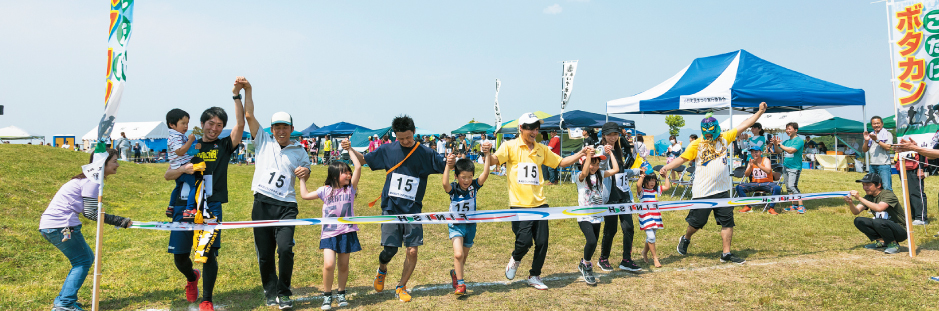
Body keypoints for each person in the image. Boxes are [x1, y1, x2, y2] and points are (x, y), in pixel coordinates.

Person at [162, 77, 246, 311]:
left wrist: (237, 96)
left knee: (207, 253)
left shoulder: (224, 146)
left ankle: (207, 299)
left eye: (219, 125)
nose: (214, 128)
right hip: (183, 206)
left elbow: (239, 125)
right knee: (180, 257)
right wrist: (184, 169)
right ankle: (191, 277)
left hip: (211, 206)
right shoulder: (190, 145)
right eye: (210, 123)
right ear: (202, 123)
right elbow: (168, 175)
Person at [480, 112, 586, 290]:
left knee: (542, 242)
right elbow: (493, 161)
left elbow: (561, 162)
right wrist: (486, 152)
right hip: (519, 204)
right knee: (524, 241)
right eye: (529, 128)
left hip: (540, 204)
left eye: (536, 128)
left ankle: (534, 275)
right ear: (521, 128)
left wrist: (580, 153)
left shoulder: (541, 149)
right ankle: (515, 259)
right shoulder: (510, 146)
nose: (533, 132)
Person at [347, 115, 446, 303]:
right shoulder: (387, 149)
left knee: (412, 251)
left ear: (414, 132)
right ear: (395, 136)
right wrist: (350, 149)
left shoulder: (426, 153)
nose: (405, 141)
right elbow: (365, 160)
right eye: (401, 139)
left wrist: (453, 163)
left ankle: (401, 286)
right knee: (390, 250)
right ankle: (382, 268)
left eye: (408, 137)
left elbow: (446, 167)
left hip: (413, 210)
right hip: (391, 207)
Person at [660, 102, 767, 264]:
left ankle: (726, 254)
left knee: (727, 221)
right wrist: (666, 167)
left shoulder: (725, 138)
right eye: (708, 135)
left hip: (723, 190)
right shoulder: (697, 144)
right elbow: (682, 158)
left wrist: (759, 112)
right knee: (697, 223)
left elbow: (744, 125)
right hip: (702, 191)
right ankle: (686, 238)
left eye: (712, 134)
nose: (711, 137)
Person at [243, 79, 311, 309]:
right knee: (265, 253)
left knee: (285, 249)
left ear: (292, 129)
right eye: (277, 127)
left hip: (286, 206)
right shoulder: (263, 141)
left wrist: (305, 172)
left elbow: (305, 172)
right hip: (262, 203)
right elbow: (249, 116)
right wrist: (248, 91)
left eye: (285, 127)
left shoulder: (300, 151)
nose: (281, 131)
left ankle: (284, 292)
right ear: (271, 130)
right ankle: (270, 291)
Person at [39, 149, 132, 311]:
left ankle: (64, 299)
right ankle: (64, 304)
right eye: (115, 161)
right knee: (82, 261)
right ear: (102, 164)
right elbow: (90, 213)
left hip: (52, 225)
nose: (118, 165)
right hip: (61, 226)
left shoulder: (88, 179)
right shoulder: (92, 182)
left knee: (84, 259)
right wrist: (119, 221)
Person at [299, 139, 363, 310]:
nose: (349, 175)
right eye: (345, 173)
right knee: (329, 264)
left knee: (343, 265)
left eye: (349, 173)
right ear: (335, 175)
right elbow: (304, 195)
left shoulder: (350, 189)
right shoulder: (324, 190)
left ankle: (341, 293)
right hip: (328, 233)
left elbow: (358, 167)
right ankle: (327, 296)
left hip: (347, 232)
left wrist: (349, 150)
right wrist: (302, 179)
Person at [440, 149, 490, 295]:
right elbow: (444, 184)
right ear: (456, 177)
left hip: (471, 226)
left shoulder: (474, 187)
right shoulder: (454, 188)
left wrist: (487, 155)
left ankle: (456, 273)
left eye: (469, 177)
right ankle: (461, 284)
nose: (467, 180)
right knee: (458, 254)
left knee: (464, 256)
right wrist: (448, 167)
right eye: (463, 177)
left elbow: (485, 174)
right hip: (456, 226)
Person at [597, 122, 642, 272]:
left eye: (615, 134)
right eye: (609, 134)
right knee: (611, 229)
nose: (613, 137)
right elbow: (600, 169)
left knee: (629, 228)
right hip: (610, 197)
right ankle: (603, 258)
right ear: (603, 135)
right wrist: (604, 153)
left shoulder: (618, 149)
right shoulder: (601, 149)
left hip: (624, 196)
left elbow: (620, 172)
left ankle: (626, 260)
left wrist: (636, 171)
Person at [574, 145, 617, 285]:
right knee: (591, 240)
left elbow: (616, 170)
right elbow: (585, 172)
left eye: (597, 164)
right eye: (593, 163)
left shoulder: (600, 174)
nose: (595, 167)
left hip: (597, 215)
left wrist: (611, 154)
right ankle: (586, 265)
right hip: (584, 216)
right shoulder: (579, 177)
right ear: (585, 162)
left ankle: (583, 263)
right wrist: (587, 156)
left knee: (593, 243)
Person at [842, 173, 906, 254]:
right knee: (859, 221)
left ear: (878, 185)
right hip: (882, 226)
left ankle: (893, 244)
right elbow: (856, 211)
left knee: (878, 221)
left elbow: (879, 208)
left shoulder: (888, 194)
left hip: (900, 231)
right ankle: (881, 242)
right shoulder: (869, 197)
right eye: (863, 185)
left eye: (868, 185)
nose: (865, 187)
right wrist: (851, 203)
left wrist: (859, 198)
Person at [164, 108, 200, 219]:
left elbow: (186, 151)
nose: (186, 126)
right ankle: (189, 209)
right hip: (183, 166)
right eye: (183, 123)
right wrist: (189, 141)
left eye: (187, 123)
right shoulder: (175, 137)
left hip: (177, 167)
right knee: (194, 185)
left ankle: (171, 207)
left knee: (177, 187)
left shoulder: (178, 135)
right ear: (172, 124)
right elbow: (180, 151)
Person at [770, 122, 806, 213]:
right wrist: (775, 144)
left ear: (796, 130)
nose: (787, 131)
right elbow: (778, 151)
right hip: (785, 167)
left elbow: (791, 151)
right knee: (788, 188)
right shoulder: (786, 141)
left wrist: (779, 144)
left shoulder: (799, 141)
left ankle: (801, 206)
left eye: (789, 129)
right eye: (786, 129)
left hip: (795, 167)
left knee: (792, 186)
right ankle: (794, 205)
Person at [636, 169, 670, 268]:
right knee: (651, 237)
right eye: (649, 180)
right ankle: (655, 258)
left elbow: (667, 187)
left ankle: (644, 252)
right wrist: (641, 176)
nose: (652, 183)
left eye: (654, 180)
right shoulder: (641, 192)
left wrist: (666, 177)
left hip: (656, 216)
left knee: (651, 237)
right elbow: (638, 186)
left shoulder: (656, 190)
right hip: (646, 216)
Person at [735, 145, 782, 214]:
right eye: (752, 152)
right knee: (739, 187)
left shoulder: (766, 160)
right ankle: (747, 206)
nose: (754, 154)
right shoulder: (751, 161)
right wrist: (750, 167)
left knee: (777, 188)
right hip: (755, 183)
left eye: (756, 152)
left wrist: (758, 164)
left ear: (761, 153)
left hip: (767, 183)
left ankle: (771, 208)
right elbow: (746, 175)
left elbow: (768, 171)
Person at [863, 116, 894, 190]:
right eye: (874, 124)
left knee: (886, 187)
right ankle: (876, 201)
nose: (876, 125)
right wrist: (866, 140)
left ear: (882, 124)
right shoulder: (870, 135)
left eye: (878, 123)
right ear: (872, 125)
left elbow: (887, 147)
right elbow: (864, 150)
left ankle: (889, 201)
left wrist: (876, 140)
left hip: (884, 165)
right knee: (873, 187)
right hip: (873, 165)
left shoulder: (887, 134)